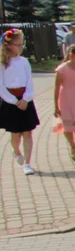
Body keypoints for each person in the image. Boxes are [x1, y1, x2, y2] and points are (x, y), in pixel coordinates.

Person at [1, 30, 40, 175]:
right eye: (18, 45)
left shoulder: (24, 62)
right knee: (15, 134)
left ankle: (27, 163)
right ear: (9, 45)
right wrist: (13, 101)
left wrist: (26, 98)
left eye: (21, 44)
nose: (20, 47)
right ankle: (16, 151)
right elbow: (0, 86)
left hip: (25, 99)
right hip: (10, 101)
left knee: (27, 133)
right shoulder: (2, 62)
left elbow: (29, 82)